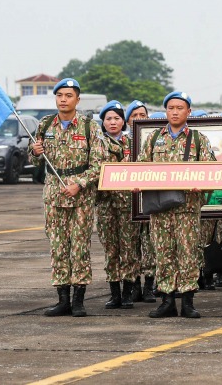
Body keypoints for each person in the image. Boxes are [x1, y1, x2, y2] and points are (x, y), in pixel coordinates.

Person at [29, 78, 106, 318]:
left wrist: (79, 184)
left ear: (77, 99)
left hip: (80, 196)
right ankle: (62, 299)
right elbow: (34, 161)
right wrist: (34, 152)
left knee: (79, 247)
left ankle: (79, 300)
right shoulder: (45, 124)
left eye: (68, 95)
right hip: (53, 193)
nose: (63, 99)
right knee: (58, 246)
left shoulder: (88, 126)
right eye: (60, 95)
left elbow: (99, 164)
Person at [137, 91, 215, 319]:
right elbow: (141, 167)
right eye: (171, 108)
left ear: (188, 111)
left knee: (187, 253)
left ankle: (188, 301)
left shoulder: (198, 139)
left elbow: (212, 171)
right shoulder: (153, 138)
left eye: (180, 108)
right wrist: (136, 181)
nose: (175, 112)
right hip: (160, 209)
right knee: (163, 253)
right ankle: (167, 301)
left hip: (187, 208)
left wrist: (202, 185)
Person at [96, 101, 140, 310]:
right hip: (106, 204)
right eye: (108, 119)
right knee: (111, 248)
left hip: (129, 204)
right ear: (102, 122)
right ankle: (114, 293)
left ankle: (128, 292)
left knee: (129, 248)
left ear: (123, 121)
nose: (112, 122)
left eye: (117, 118)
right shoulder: (97, 143)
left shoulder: (134, 142)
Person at [124, 100, 155, 303]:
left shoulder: (154, 140)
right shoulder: (121, 142)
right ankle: (134, 285)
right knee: (131, 245)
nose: (138, 119)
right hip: (127, 201)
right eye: (134, 116)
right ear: (127, 121)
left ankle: (150, 286)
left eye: (142, 115)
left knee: (150, 244)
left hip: (150, 199)